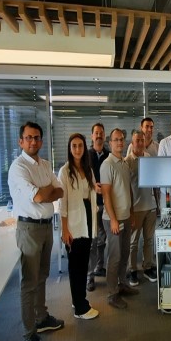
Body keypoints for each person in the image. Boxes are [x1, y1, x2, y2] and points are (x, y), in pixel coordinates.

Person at [8, 121, 65, 341]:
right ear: (21, 141)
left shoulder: (45, 164)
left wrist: (44, 191)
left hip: (46, 226)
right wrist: (45, 191)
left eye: (37, 137)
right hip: (29, 229)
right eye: (29, 138)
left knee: (42, 276)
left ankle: (41, 318)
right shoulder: (18, 168)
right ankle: (29, 336)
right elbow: (41, 196)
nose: (33, 141)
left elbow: (59, 191)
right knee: (29, 283)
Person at [57, 133, 100, 321]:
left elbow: (91, 192)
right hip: (73, 224)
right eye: (74, 146)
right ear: (69, 148)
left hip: (87, 220)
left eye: (80, 145)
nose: (77, 149)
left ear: (84, 147)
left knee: (83, 264)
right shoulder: (65, 171)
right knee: (76, 267)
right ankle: (81, 308)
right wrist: (64, 230)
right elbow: (62, 203)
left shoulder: (87, 169)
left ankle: (78, 300)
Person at [100, 128, 139, 309]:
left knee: (124, 254)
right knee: (114, 257)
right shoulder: (107, 165)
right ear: (110, 143)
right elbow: (106, 195)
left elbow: (128, 190)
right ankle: (112, 293)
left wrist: (131, 213)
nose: (119, 142)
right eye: (116, 140)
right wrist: (114, 220)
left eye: (122, 139)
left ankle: (122, 284)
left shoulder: (124, 163)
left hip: (126, 217)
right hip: (113, 220)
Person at [125, 130, 158, 286]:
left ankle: (148, 267)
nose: (139, 143)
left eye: (141, 140)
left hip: (150, 206)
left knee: (149, 240)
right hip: (136, 208)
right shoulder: (127, 162)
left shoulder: (149, 158)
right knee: (133, 242)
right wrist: (129, 210)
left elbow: (154, 183)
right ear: (132, 143)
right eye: (137, 140)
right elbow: (126, 189)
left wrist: (157, 203)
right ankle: (132, 270)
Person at [87, 123, 109, 292]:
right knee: (93, 241)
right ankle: (90, 276)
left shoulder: (109, 155)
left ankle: (99, 267)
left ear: (104, 136)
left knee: (103, 239)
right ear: (92, 136)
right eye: (96, 133)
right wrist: (93, 186)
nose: (99, 135)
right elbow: (82, 177)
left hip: (107, 203)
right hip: (92, 204)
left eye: (101, 133)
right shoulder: (86, 156)